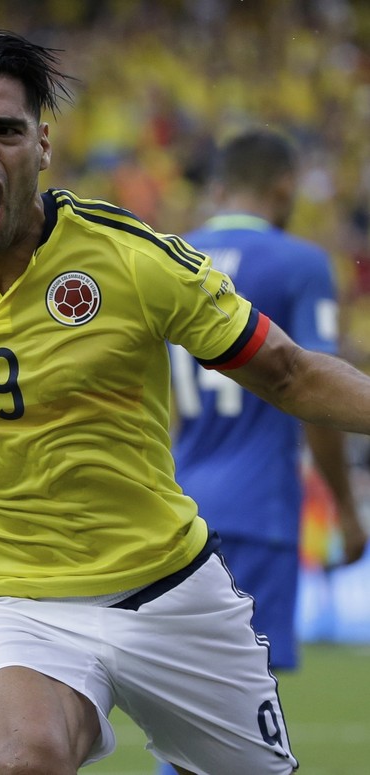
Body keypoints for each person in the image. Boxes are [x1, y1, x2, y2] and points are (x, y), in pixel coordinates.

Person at [0, 22, 370, 775]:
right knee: (28, 757)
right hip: (15, 606)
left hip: (174, 590)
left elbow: (288, 372)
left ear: (43, 145)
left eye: (6, 128)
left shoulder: (130, 259)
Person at [158, 129, 367, 775]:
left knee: (198, 711)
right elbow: (313, 392)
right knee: (237, 722)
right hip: (258, 515)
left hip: (179, 513)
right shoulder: (299, 263)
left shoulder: (171, 256)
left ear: (221, 185)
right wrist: (344, 509)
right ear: (283, 186)